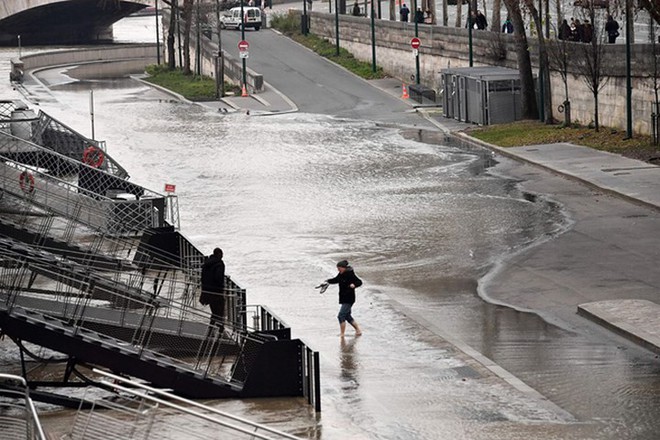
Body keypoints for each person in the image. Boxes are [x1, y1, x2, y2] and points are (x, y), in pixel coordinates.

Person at [326, 260, 363, 338]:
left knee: (341, 315)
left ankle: (342, 334)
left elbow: (359, 282)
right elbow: (336, 280)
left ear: (343, 268)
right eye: (337, 268)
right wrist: (328, 281)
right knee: (347, 316)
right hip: (343, 298)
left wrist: (354, 284)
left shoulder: (350, 274)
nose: (338, 270)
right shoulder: (341, 274)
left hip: (349, 298)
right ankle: (358, 330)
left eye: (339, 268)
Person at [200, 247, 226, 333]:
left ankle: (212, 329)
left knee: (214, 310)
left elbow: (203, 278)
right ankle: (219, 329)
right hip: (216, 291)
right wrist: (221, 286)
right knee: (220, 310)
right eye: (221, 254)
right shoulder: (219, 264)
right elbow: (218, 278)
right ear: (219, 254)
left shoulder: (207, 264)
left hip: (207, 291)